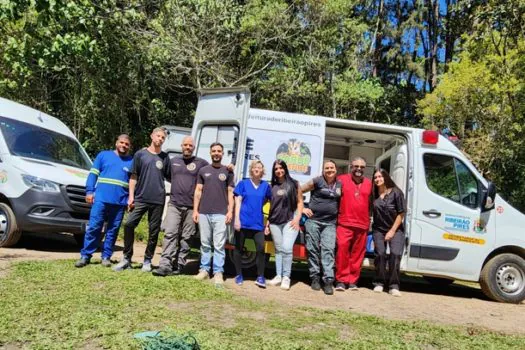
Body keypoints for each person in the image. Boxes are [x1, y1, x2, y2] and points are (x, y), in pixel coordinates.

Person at [113, 127, 170, 272]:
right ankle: (126, 258)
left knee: (154, 231)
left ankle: (147, 261)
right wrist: (131, 196)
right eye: (158, 136)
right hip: (140, 198)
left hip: (158, 200)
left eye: (163, 137)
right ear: (152, 136)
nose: (160, 139)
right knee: (129, 224)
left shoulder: (165, 157)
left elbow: (172, 177)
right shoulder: (140, 154)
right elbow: (133, 177)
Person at [153, 136, 209, 277]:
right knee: (170, 233)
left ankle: (179, 265)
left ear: (194, 147)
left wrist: (228, 168)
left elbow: (213, 173)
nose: (187, 147)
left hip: (192, 207)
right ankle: (165, 265)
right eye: (185, 145)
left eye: (190, 145)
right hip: (174, 204)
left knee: (187, 237)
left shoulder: (201, 163)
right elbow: (167, 176)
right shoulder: (173, 162)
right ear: (181, 146)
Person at [75, 134, 133, 268]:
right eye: (122, 142)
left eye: (126, 144)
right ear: (116, 143)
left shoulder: (131, 161)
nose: (123, 146)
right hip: (101, 199)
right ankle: (85, 256)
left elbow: (132, 182)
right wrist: (89, 191)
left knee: (113, 230)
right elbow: (93, 174)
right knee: (94, 227)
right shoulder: (103, 155)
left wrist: (130, 199)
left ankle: (106, 257)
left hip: (119, 202)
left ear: (129, 147)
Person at [193, 142, 234, 288]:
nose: (216, 153)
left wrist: (230, 211)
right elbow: (198, 191)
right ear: (210, 153)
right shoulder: (203, 170)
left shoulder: (228, 171)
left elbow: (230, 193)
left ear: (222, 153)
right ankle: (204, 270)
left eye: (219, 151)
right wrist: (195, 210)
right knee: (204, 243)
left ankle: (218, 273)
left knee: (219, 245)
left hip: (221, 214)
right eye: (214, 151)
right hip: (203, 212)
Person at [301, 160, 341, 295]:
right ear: (323, 170)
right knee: (312, 249)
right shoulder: (317, 181)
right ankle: (315, 278)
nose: (329, 170)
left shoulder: (340, 184)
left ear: (336, 169)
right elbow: (298, 191)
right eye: (327, 168)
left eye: (332, 168)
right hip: (313, 221)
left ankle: (328, 281)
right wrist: (302, 208)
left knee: (328, 250)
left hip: (330, 223)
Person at [335, 156, 373, 291]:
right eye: (356, 166)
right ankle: (341, 280)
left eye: (362, 167)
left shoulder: (369, 183)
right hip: (344, 223)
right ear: (351, 167)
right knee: (342, 251)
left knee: (357, 255)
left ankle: (352, 281)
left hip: (362, 225)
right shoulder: (341, 179)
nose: (359, 169)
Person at [233, 160, 272, 288]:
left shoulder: (266, 186)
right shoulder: (243, 184)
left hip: (257, 224)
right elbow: (237, 202)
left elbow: (269, 201)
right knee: (238, 248)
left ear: (262, 171)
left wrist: (269, 223)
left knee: (261, 249)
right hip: (243, 222)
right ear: (251, 169)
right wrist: (237, 219)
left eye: (259, 167)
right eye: (255, 167)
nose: (257, 169)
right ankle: (239, 274)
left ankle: (260, 276)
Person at [266, 159, 304, 291]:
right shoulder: (272, 186)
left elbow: (300, 202)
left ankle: (286, 277)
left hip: (290, 221)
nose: (278, 171)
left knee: (287, 248)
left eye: (281, 168)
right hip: (275, 222)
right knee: (278, 249)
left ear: (285, 168)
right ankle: (278, 276)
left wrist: (297, 218)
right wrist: (268, 223)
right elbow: (271, 206)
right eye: (276, 169)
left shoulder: (294, 184)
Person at [372, 168, 406, 297]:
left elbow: (401, 213)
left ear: (386, 177)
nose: (377, 179)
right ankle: (379, 283)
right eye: (375, 177)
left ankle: (394, 285)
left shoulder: (396, 192)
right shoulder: (374, 193)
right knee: (380, 254)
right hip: (378, 229)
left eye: (380, 176)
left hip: (396, 229)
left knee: (395, 254)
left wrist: (392, 231)